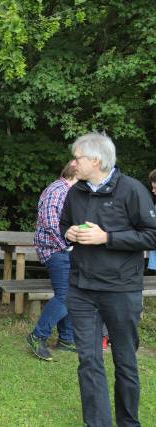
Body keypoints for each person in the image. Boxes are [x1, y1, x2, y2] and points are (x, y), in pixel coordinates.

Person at [60, 132, 156, 427]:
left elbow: (151, 234)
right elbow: (63, 225)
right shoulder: (76, 191)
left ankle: (129, 423)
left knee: (125, 361)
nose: (73, 164)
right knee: (88, 360)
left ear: (96, 160)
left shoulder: (131, 190)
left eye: (78, 158)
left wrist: (107, 237)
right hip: (81, 288)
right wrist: (70, 234)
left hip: (120, 290)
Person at [26, 162, 78, 361]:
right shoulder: (57, 190)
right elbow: (50, 222)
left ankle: (65, 339)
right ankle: (37, 336)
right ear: (77, 173)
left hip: (64, 249)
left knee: (70, 294)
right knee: (64, 296)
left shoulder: (67, 191)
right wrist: (67, 244)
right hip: (56, 251)